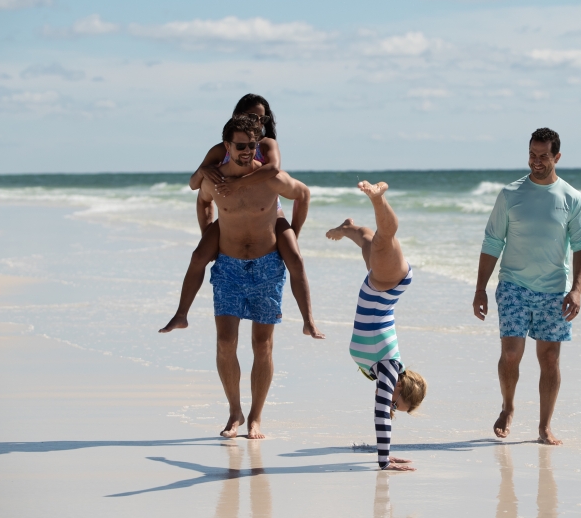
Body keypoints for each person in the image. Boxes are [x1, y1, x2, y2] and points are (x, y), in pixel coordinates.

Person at [163, 115, 315, 439]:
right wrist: (211, 236)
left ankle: (256, 418)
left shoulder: (270, 180)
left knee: (262, 346)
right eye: (241, 146)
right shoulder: (214, 179)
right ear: (227, 146)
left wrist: (294, 233)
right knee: (224, 343)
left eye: (253, 145)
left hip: (266, 267)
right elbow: (201, 198)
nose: (248, 152)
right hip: (230, 267)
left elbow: (302, 193)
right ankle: (235, 412)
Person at [159, 94, 321, 339]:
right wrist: (203, 172)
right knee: (198, 256)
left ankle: (308, 321)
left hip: (270, 212)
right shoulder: (221, 149)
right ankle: (181, 314)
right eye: (251, 116)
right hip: (230, 213)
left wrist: (293, 234)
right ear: (237, 116)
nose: (257, 122)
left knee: (295, 259)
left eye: (262, 117)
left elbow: (273, 169)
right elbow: (195, 187)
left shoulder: (265, 144)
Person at [472, 127, 581, 446]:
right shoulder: (511, 194)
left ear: (557, 157)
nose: (536, 162)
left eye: (543, 156)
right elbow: (492, 241)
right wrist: (480, 288)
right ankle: (508, 407)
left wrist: (576, 290)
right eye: (532, 155)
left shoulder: (570, 198)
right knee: (511, 354)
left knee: (550, 360)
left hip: (554, 290)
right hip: (513, 285)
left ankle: (544, 427)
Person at [325, 180, 427, 471]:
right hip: (389, 285)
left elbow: (386, 410)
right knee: (385, 238)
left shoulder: (377, 370)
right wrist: (384, 461)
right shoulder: (389, 367)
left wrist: (388, 452)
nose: (391, 405)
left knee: (368, 241)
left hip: (375, 286)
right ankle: (378, 199)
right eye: (397, 403)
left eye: (395, 407)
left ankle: (347, 228)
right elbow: (381, 413)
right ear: (399, 387)